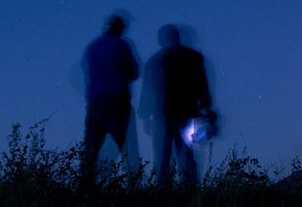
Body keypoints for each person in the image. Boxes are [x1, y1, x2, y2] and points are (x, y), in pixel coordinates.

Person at [139, 24, 212, 187]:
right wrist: (206, 108)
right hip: (186, 114)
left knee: (162, 156)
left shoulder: (155, 60)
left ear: (161, 39)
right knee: (186, 153)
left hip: (162, 115)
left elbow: (147, 89)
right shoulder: (193, 57)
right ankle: (190, 190)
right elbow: (202, 84)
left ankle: (163, 193)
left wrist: (145, 115)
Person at [81, 12, 140, 185]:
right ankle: (133, 185)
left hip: (95, 102)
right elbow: (135, 72)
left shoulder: (93, 46)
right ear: (120, 28)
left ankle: (85, 186)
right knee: (127, 147)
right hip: (117, 102)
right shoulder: (122, 45)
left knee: (91, 148)